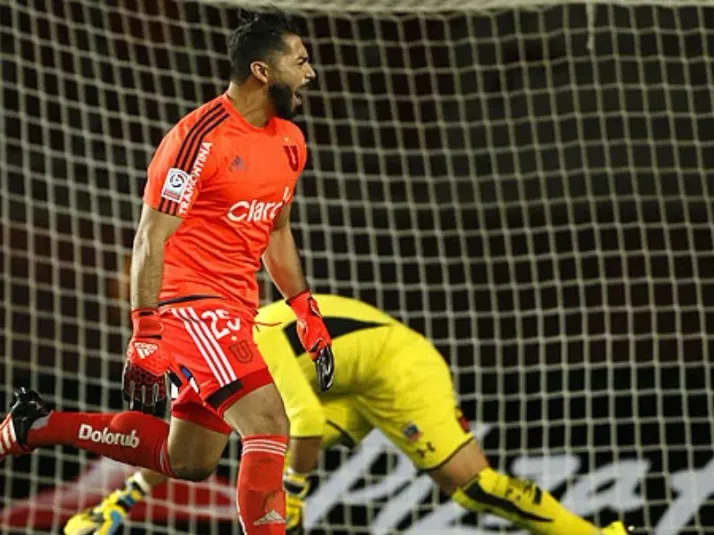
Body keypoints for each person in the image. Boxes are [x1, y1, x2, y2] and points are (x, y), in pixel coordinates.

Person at [0, 10, 335, 535]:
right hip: (190, 304)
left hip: (236, 307)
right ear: (262, 71)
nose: (310, 72)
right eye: (301, 61)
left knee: (191, 462)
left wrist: (303, 307)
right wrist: (147, 330)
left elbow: (275, 231)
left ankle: (38, 424)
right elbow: (149, 238)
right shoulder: (197, 137)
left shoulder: (290, 141)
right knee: (270, 423)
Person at [64, 295, 629, 535]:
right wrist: (124, 499)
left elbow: (303, 422)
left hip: (397, 369)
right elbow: (187, 445)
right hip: (337, 385)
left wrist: (296, 490)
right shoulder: (205, 354)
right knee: (250, 453)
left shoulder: (252, 344)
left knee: (471, 486)